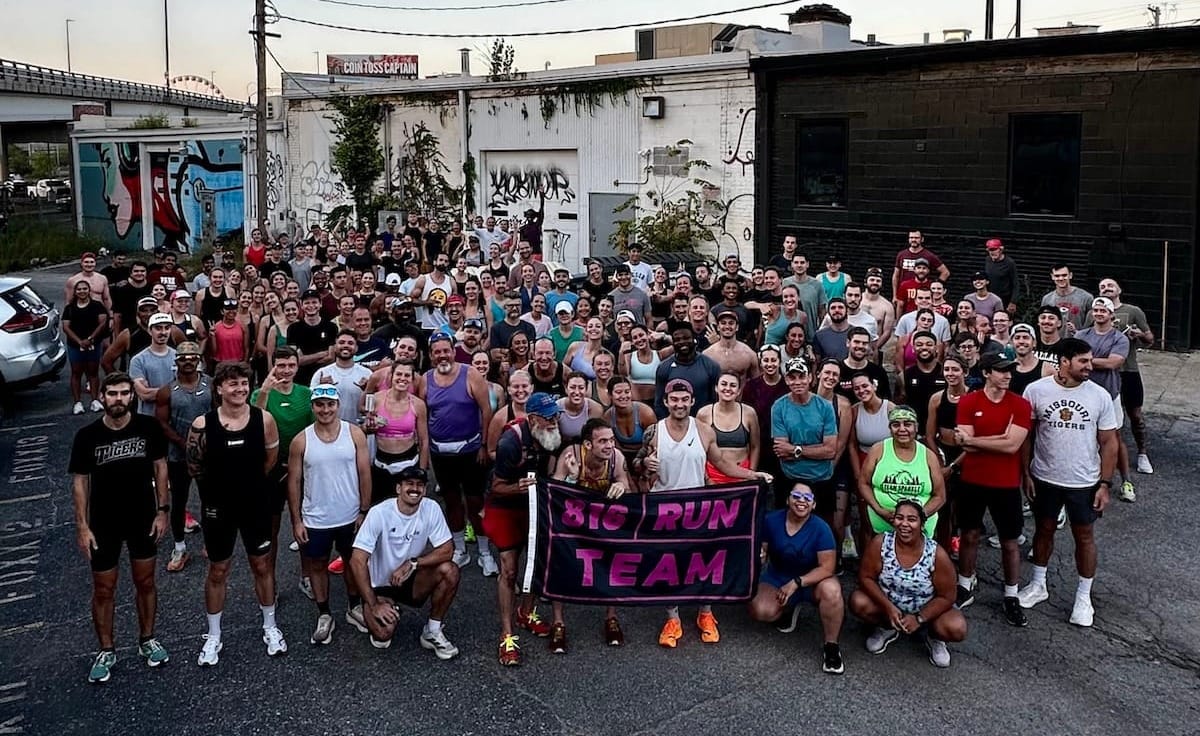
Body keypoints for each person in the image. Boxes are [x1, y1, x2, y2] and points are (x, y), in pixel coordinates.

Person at [635, 378, 771, 648]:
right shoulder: (654, 432)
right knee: (669, 565)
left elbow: (722, 463)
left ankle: (705, 613)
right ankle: (672, 618)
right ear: (665, 402)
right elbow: (637, 464)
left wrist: (753, 475)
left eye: (684, 399)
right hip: (665, 509)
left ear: (692, 401)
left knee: (703, 562)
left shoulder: (705, 431)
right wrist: (643, 463)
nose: (679, 404)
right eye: (674, 399)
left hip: (699, 507)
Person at [70, 372, 171, 683]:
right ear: (102, 396)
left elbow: (160, 467)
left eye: (123, 393)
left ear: (132, 396)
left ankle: (147, 640)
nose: (117, 399)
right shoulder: (86, 436)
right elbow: (80, 483)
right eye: (111, 393)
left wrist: (162, 511)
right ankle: (106, 649)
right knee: (104, 589)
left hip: (142, 517)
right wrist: (83, 526)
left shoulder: (148, 428)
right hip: (103, 522)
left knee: (146, 582)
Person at [187, 361, 285, 665]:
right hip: (218, 509)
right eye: (233, 384)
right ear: (219, 389)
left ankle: (270, 625)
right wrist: (220, 491)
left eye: (244, 383)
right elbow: (195, 467)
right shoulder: (202, 425)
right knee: (218, 570)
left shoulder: (264, 420)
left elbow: (270, 459)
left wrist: (249, 485)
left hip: (255, 505)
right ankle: (213, 635)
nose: (240, 389)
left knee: (262, 566)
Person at [1018, 338, 1118, 627]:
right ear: (1064, 361)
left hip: (1084, 481)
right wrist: (1026, 472)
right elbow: (1027, 435)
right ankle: (1038, 584)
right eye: (1083, 361)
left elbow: (1110, 442)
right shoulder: (1036, 390)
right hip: (1045, 477)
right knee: (1044, 529)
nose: (1090, 366)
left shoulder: (1099, 395)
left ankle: (1084, 598)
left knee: (1084, 536)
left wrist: (1105, 484)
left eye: (1090, 360)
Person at [287, 386, 372, 646]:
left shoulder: (354, 433)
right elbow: (294, 482)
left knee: (352, 561)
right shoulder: (301, 440)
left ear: (337, 405)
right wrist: (297, 520)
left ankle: (354, 607)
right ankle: (324, 614)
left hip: (349, 514)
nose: (325, 410)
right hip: (316, 518)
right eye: (320, 405)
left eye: (330, 404)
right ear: (313, 407)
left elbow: (365, 473)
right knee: (317, 564)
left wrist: (364, 511)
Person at [347, 465, 461, 657]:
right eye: (409, 484)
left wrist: (413, 563)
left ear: (425, 490)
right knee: (383, 636)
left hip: (409, 579)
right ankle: (370, 608)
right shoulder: (379, 513)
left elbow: (447, 549)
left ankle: (432, 630)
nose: (415, 489)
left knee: (450, 570)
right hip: (379, 585)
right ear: (398, 488)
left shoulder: (431, 508)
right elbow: (357, 561)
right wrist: (373, 603)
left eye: (420, 485)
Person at [951, 354, 1032, 625]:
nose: (1008, 375)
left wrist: (977, 440)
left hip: (1007, 484)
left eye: (1010, 371)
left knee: (1010, 541)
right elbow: (966, 445)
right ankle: (964, 585)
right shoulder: (968, 401)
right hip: (973, 480)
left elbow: (1012, 446)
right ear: (986, 373)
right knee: (969, 534)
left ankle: (1011, 594)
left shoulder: (1021, 404)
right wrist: (1000, 438)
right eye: (1001, 371)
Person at [485, 393, 564, 664]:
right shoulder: (510, 442)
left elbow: (551, 465)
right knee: (509, 570)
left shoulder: (551, 433)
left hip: (534, 503)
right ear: (532, 419)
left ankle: (526, 612)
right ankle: (506, 635)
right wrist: (515, 488)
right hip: (505, 503)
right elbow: (495, 486)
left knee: (538, 561)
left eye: (556, 416)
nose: (554, 421)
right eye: (548, 417)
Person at [850, 499, 966, 668]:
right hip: (889, 607)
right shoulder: (880, 543)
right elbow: (865, 578)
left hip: (925, 610)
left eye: (911, 519)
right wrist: (888, 608)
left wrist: (920, 618)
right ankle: (887, 628)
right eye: (899, 518)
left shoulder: (936, 553)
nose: (904, 524)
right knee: (858, 601)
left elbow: (947, 596)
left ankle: (934, 637)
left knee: (957, 627)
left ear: (921, 523)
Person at [552, 418, 635, 647]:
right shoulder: (571, 455)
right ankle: (558, 622)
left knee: (613, 562)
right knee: (560, 564)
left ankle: (611, 617)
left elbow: (625, 483)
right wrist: (571, 477)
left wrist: (621, 486)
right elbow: (554, 491)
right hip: (571, 523)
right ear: (588, 445)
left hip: (601, 523)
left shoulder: (616, 458)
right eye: (603, 441)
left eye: (611, 440)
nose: (609, 445)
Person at [748, 482, 845, 675]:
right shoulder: (771, 520)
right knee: (761, 610)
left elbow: (827, 568)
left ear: (814, 504)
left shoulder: (821, 528)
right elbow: (763, 550)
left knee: (832, 592)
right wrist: (760, 554)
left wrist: (797, 582)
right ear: (787, 499)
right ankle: (788, 609)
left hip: (813, 580)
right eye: (796, 496)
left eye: (807, 498)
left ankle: (831, 647)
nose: (802, 501)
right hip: (778, 576)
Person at [418, 333, 494, 572]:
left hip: (471, 450)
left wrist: (484, 445)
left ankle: (484, 551)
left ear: (454, 351)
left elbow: (486, 410)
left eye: (446, 350)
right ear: (431, 356)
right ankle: (459, 549)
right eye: (437, 351)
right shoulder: (425, 379)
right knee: (451, 501)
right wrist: (425, 451)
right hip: (441, 453)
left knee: (475, 501)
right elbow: (421, 414)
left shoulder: (471, 374)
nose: (442, 355)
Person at [154, 342, 209, 572]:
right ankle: (179, 546)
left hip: (208, 454)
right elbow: (161, 423)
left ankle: (210, 542)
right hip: (178, 455)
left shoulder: (210, 384)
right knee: (179, 502)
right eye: (183, 358)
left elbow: (218, 413)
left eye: (192, 357)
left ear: (198, 360)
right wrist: (184, 443)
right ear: (176, 363)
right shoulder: (167, 390)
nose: (188, 361)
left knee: (210, 499)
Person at [1076, 297, 1134, 502]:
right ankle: (1088, 482)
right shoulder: (1081, 334)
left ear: (1111, 315)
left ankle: (1127, 481)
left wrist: (1083, 361)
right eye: (1096, 310)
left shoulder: (1120, 338)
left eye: (1103, 310)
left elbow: (1113, 363)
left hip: (1109, 394)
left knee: (1114, 438)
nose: (1099, 313)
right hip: (1081, 393)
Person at [1094, 278, 1154, 475]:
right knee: (1105, 418)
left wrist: (1139, 334)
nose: (1106, 288)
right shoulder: (1094, 311)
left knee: (1135, 414)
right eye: (1102, 286)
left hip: (1128, 370)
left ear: (1119, 289)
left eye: (1110, 285)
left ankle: (1143, 453)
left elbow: (1150, 339)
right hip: (1103, 375)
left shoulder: (1133, 311)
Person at [858, 404, 944, 539]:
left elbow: (940, 496)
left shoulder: (928, 456)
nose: (902, 429)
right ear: (890, 429)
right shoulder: (878, 450)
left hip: (919, 529)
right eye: (896, 425)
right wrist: (879, 510)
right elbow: (863, 483)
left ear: (916, 427)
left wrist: (917, 517)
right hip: (881, 524)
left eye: (908, 424)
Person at [771, 358, 838, 521]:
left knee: (824, 527)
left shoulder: (825, 407)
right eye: (792, 377)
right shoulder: (779, 407)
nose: (797, 382)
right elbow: (781, 451)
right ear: (786, 379)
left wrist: (795, 450)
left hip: (822, 479)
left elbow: (830, 451)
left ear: (810, 378)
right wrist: (815, 450)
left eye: (802, 376)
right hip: (790, 478)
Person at [696, 372, 760, 483]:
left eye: (733, 385)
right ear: (716, 388)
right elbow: (698, 450)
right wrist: (706, 478)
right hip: (713, 476)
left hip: (742, 474)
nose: (728, 388)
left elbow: (755, 446)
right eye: (724, 384)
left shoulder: (749, 413)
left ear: (739, 391)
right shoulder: (704, 414)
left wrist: (751, 474)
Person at [653, 325, 722, 418]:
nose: (682, 342)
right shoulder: (664, 367)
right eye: (677, 340)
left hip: (704, 422)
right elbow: (659, 403)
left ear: (694, 339)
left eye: (686, 338)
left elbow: (717, 401)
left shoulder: (711, 366)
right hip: (674, 423)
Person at [63, 279, 109, 415]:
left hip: (93, 344)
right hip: (74, 345)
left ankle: (95, 400)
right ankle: (77, 402)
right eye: (79, 289)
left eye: (85, 289)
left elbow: (102, 323)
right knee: (76, 372)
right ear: (75, 292)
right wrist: (79, 341)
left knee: (93, 372)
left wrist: (90, 339)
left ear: (89, 290)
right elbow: (66, 327)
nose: (82, 291)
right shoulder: (69, 308)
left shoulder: (97, 306)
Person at [310, 330, 373, 424]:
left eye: (350, 343)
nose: (346, 346)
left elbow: (375, 404)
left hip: (358, 429)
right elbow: (311, 404)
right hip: (329, 429)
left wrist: (367, 390)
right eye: (341, 342)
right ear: (335, 347)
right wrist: (321, 388)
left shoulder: (367, 374)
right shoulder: (322, 373)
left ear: (356, 348)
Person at [129, 313, 178, 417]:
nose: (163, 332)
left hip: (173, 417)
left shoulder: (178, 357)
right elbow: (144, 395)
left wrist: (154, 391)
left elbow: (189, 387)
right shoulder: (138, 360)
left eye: (167, 328)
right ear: (150, 331)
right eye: (158, 328)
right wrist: (177, 390)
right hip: (148, 417)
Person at [287, 289, 338, 384]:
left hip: (325, 378)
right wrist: (321, 354)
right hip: (301, 379)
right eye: (307, 303)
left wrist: (305, 358)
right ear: (301, 305)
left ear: (320, 304)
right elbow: (295, 359)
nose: (311, 306)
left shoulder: (331, 327)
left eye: (314, 302)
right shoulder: (293, 328)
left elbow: (331, 357)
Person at [891, 229, 950, 295]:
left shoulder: (929, 255)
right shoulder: (901, 254)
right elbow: (896, 276)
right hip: (905, 292)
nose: (913, 240)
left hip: (924, 293)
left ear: (922, 239)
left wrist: (936, 287)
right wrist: (895, 294)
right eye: (911, 237)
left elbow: (945, 272)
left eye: (916, 238)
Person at [1040, 264, 1093, 334]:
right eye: (1057, 276)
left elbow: (1091, 323)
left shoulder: (1086, 297)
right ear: (1052, 277)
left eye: (1064, 275)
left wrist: (1080, 333)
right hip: (1055, 342)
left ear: (1070, 275)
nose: (1061, 278)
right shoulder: (1047, 299)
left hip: (1078, 342)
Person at [982, 238, 1019, 313]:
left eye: (994, 249)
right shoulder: (987, 260)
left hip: (1004, 299)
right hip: (990, 298)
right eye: (990, 250)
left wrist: (1013, 302)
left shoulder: (1009, 263)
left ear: (1001, 249)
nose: (993, 252)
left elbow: (1015, 283)